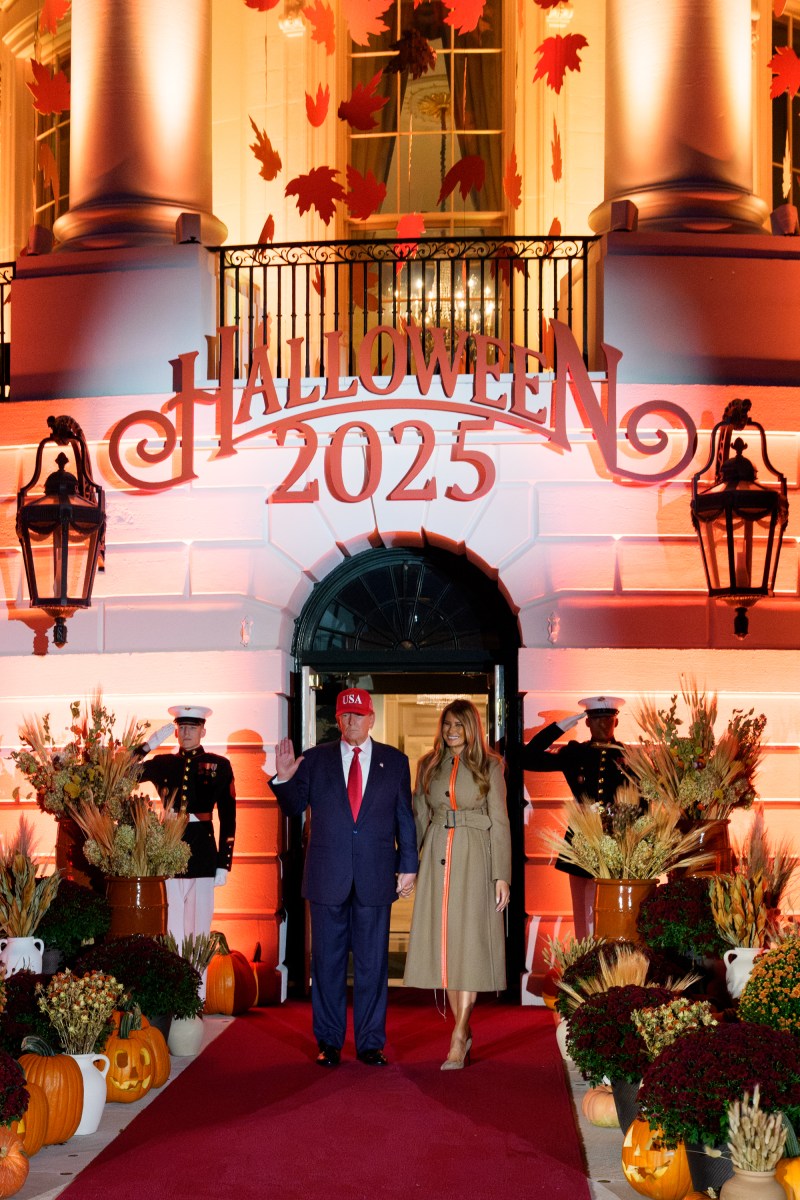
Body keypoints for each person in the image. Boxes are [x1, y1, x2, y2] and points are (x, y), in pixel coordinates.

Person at [273, 688, 417, 1068]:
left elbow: (405, 816)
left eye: (358, 715)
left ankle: (370, 1043)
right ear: (338, 720)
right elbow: (293, 807)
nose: (352, 721)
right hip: (327, 877)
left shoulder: (395, 762)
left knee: (373, 965)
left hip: (375, 875)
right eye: (345, 716)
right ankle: (329, 1042)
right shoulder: (314, 760)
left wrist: (409, 864)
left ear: (372, 718)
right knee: (327, 964)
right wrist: (284, 779)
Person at [403, 699, 511, 1070]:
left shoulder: (491, 765)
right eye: (447, 724)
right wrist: (408, 866)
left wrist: (501, 875)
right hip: (437, 854)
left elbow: (500, 820)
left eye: (459, 725)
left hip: (476, 855)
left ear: (472, 728)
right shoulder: (427, 765)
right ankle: (461, 1029)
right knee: (446, 946)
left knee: (470, 944)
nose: (451, 731)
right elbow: (419, 817)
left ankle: (459, 1033)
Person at [522, 695, 627, 940]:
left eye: (608, 719)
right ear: (587, 722)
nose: (603, 724)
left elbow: (642, 801)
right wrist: (559, 728)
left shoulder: (629, 757)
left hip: (618, 838)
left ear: (616, 722)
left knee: (615, 905)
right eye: (597, 719)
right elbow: (528, 758)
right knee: (582, 908)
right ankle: (584, 956)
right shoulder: (576, 754)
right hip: (581, 837)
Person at [138, 705, 236, 950]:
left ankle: (197, 977)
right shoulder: (163, 763)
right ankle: (175, 973)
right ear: (176, 732)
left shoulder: (219, 765)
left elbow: (228, 816)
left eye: (192, 728)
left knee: (199, 927)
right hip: (169, 847)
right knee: (170, 925)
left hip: (202, 849)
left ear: (203, 731)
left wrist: (223, 863)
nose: (186, 733)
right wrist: (147, 747)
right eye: (182, 728)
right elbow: (121, 773)